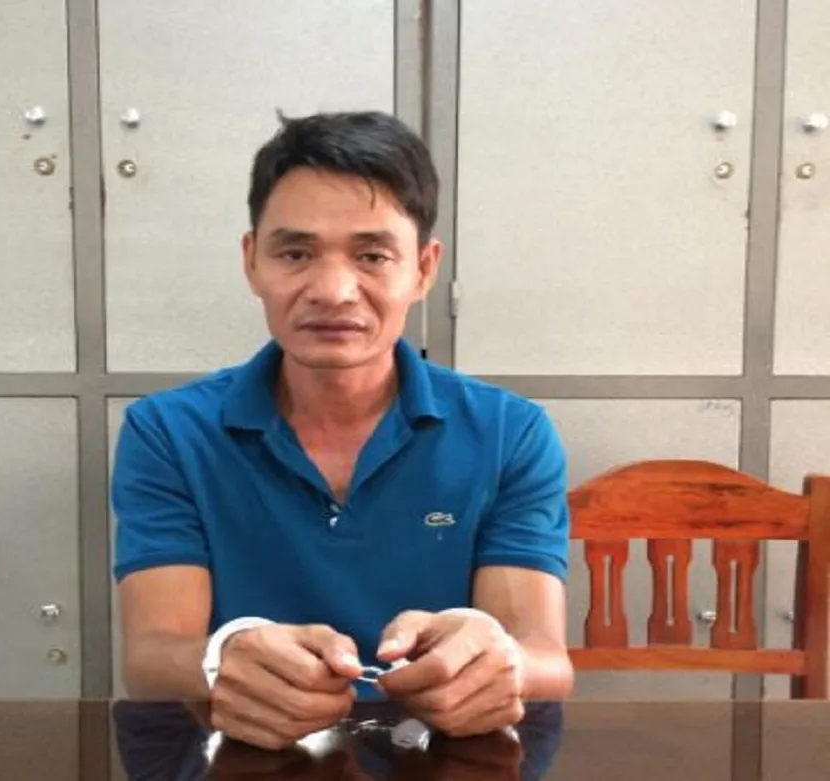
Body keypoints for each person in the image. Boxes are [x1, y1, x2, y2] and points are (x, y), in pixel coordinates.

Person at [111, 110, 574, 752]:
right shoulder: (169, 432)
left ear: (424, 268)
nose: (332, 291)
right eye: (295, 253)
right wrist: (222, 657)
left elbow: (546, 658)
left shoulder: (509, 433)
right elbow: (151, 658)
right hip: (248, 757)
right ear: (252, 261)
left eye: (372, 255)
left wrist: (499, 661)